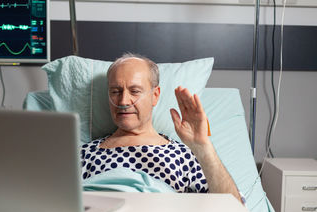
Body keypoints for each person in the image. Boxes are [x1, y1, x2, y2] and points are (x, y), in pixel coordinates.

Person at [81, 53, 243, 203]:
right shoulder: (84, 154)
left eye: (135, 91)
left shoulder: (184, 155)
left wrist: (203, 146)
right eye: (115, 91)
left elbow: (235, 211)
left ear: (155, 95)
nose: (123, 101)